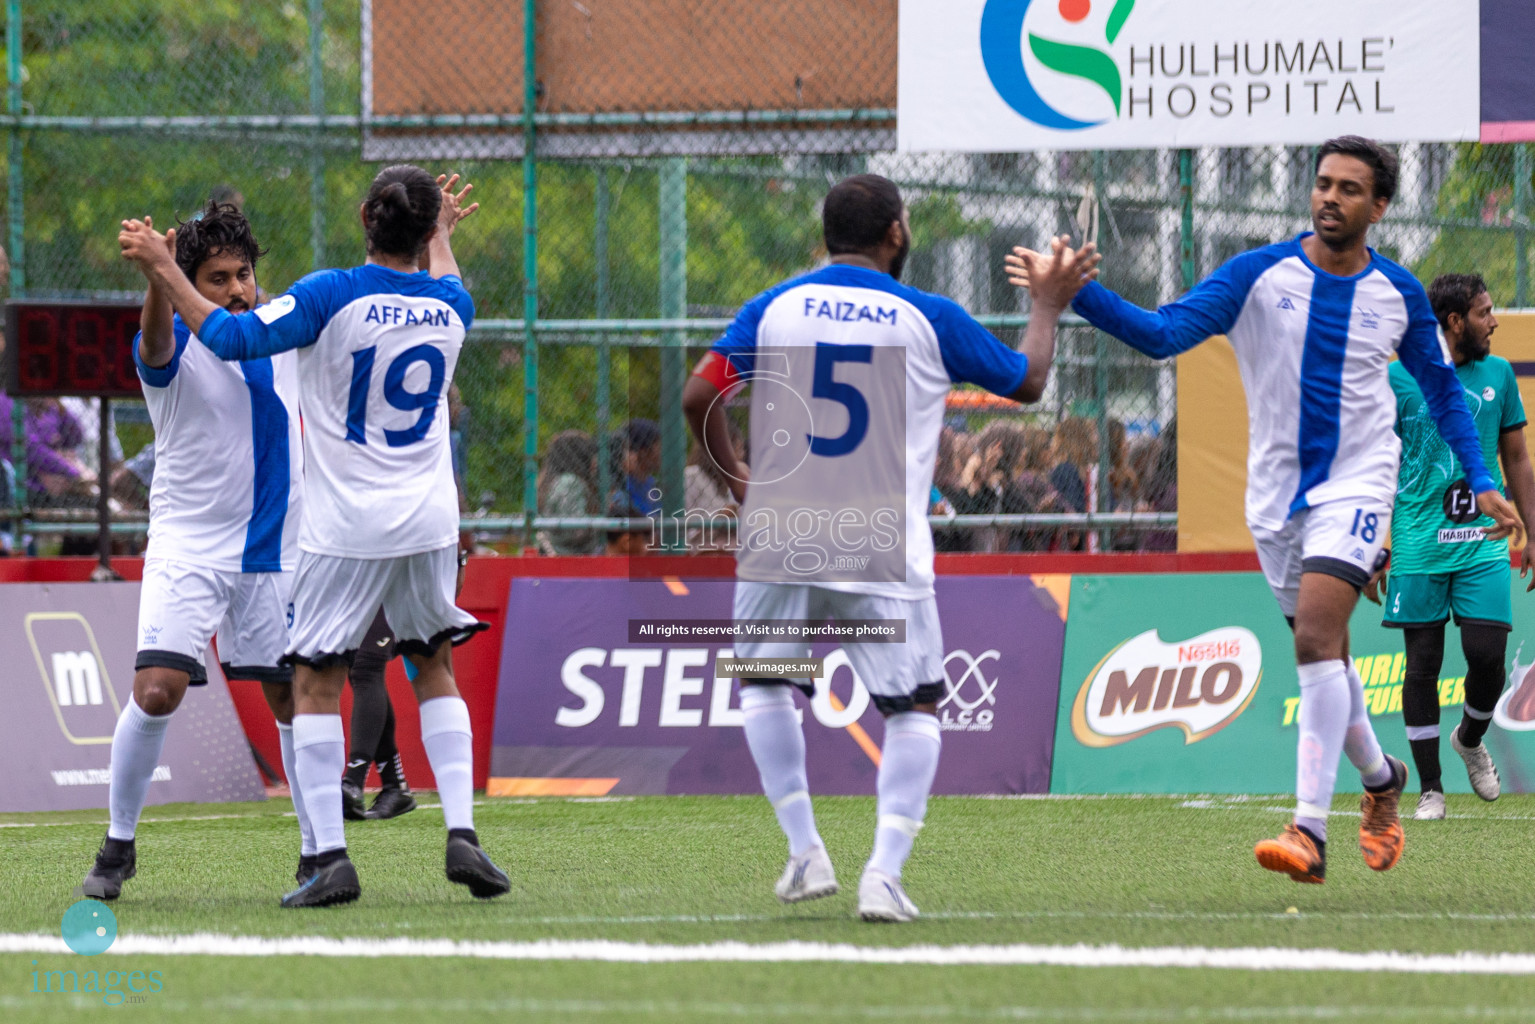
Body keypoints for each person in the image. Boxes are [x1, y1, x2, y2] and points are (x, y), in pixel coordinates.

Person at [1009, 136, 1525, 885]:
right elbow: (1160, 335)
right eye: (1322, 184)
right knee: (1330, 661)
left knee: (1316, 640)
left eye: (1349, 189)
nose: (1329, 197)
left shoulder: (1399, 294)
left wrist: (1478, 477)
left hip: (1358, 482)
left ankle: (1307, 830)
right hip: (1274, 496)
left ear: (1378, 206)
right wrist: (1070, 294)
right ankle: (1381, 781)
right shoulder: (1257, 275)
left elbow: (1442, 392)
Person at [683, 173, 1098, 922]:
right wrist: (1045, 303)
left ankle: (805, 852)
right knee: (914, 706)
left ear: (825, 236)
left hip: (780, 531)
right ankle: (883, 873)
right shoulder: (926, 314)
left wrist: (737, 483)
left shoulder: (771, 307)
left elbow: (696, 396)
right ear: (896, 233)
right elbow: (1028, 381)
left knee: (764, 683)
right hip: (880, 538)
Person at [118, 165, 509, 908]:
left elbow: (232, 335)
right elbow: (447, 277)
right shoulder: (452, 304)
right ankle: (463, 833)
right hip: (431, 520)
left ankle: (329, 857)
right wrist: (443, 240)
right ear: (428, 234)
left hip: (348, 523)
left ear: (364, 215)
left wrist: (165, 266)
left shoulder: (330, 293)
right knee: (432, 668)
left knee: (313, 684)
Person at [82, 201, 309, 899]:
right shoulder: (173, 343)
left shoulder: (280, 333)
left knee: (293, 699)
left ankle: (317, 849)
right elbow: (153, 341)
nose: (239, 289)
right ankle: (118, 844)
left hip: (273, 548)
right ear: (190, 285)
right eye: (218, 278)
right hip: (188, 546)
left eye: (244, 274)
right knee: (155, 691)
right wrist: (158, 276)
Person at [1363, 273, 1535, 820]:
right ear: (1455, 322)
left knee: (1486, 658)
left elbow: (1518, 460)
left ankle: (1469, 737)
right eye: (1485, 312)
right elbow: (1373, 466)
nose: (1494, 321)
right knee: (1423, 665)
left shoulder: (1500, 375)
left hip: (1483, 544)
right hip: (1417, 546)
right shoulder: (1397, 379)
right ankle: (1430, 788)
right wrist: (1369, 545)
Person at [340, 608, 417, 821]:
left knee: (366, 665)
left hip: (391, 583)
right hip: (356, 586)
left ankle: (354, 781)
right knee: (357, 664)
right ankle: (394, 784)